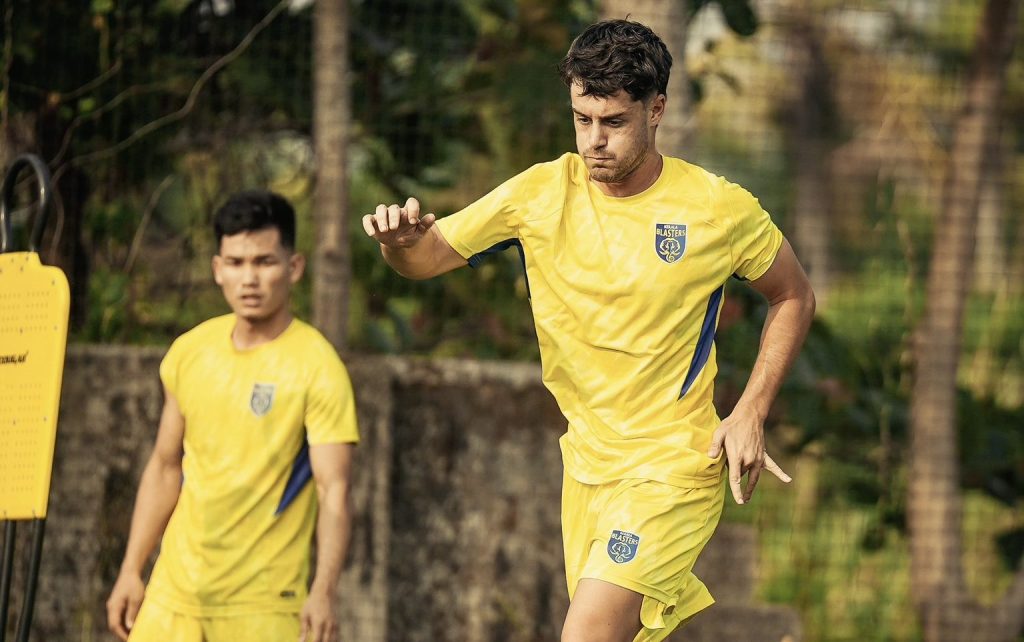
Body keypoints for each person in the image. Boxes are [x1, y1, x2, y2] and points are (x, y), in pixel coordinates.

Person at [363, 18, 815, 642]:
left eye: (614, 122)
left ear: (656, 110)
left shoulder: (717, 209)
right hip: (587, 470)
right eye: (582, 119)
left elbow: (793, 295)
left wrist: (751, 409)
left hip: (673, 469)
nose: (594, 140)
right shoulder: (539, 193)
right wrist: (399, 245)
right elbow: (427, 258)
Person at [106, 190, 359, 642]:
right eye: (237, 263)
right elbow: (165, 467)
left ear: (294, 268)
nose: (250, 279)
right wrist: (131, 568)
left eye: (264, 262)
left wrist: (323, 592)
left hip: (262, 604)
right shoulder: (190, 351)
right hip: (173, 593)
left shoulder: (318, 367)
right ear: (217, 269)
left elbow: (333, 489)